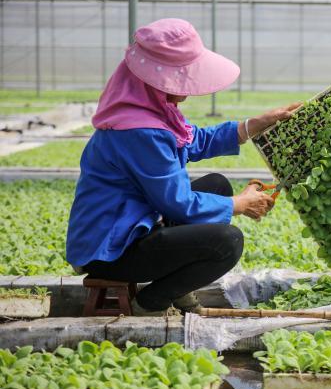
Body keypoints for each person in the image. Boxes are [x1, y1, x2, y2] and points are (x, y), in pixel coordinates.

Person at [66, 18, 301, 316]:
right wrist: (239, 204)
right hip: (112, 250)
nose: (185, 92)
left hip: (136, 224)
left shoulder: (149, 112)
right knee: (227, 243)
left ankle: (176, 289)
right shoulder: (140, 130)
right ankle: (151, 302)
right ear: (151, 81)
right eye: (178, 82)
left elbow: (195, 141)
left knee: (216, 184)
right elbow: (178, 204)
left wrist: (253, 125)